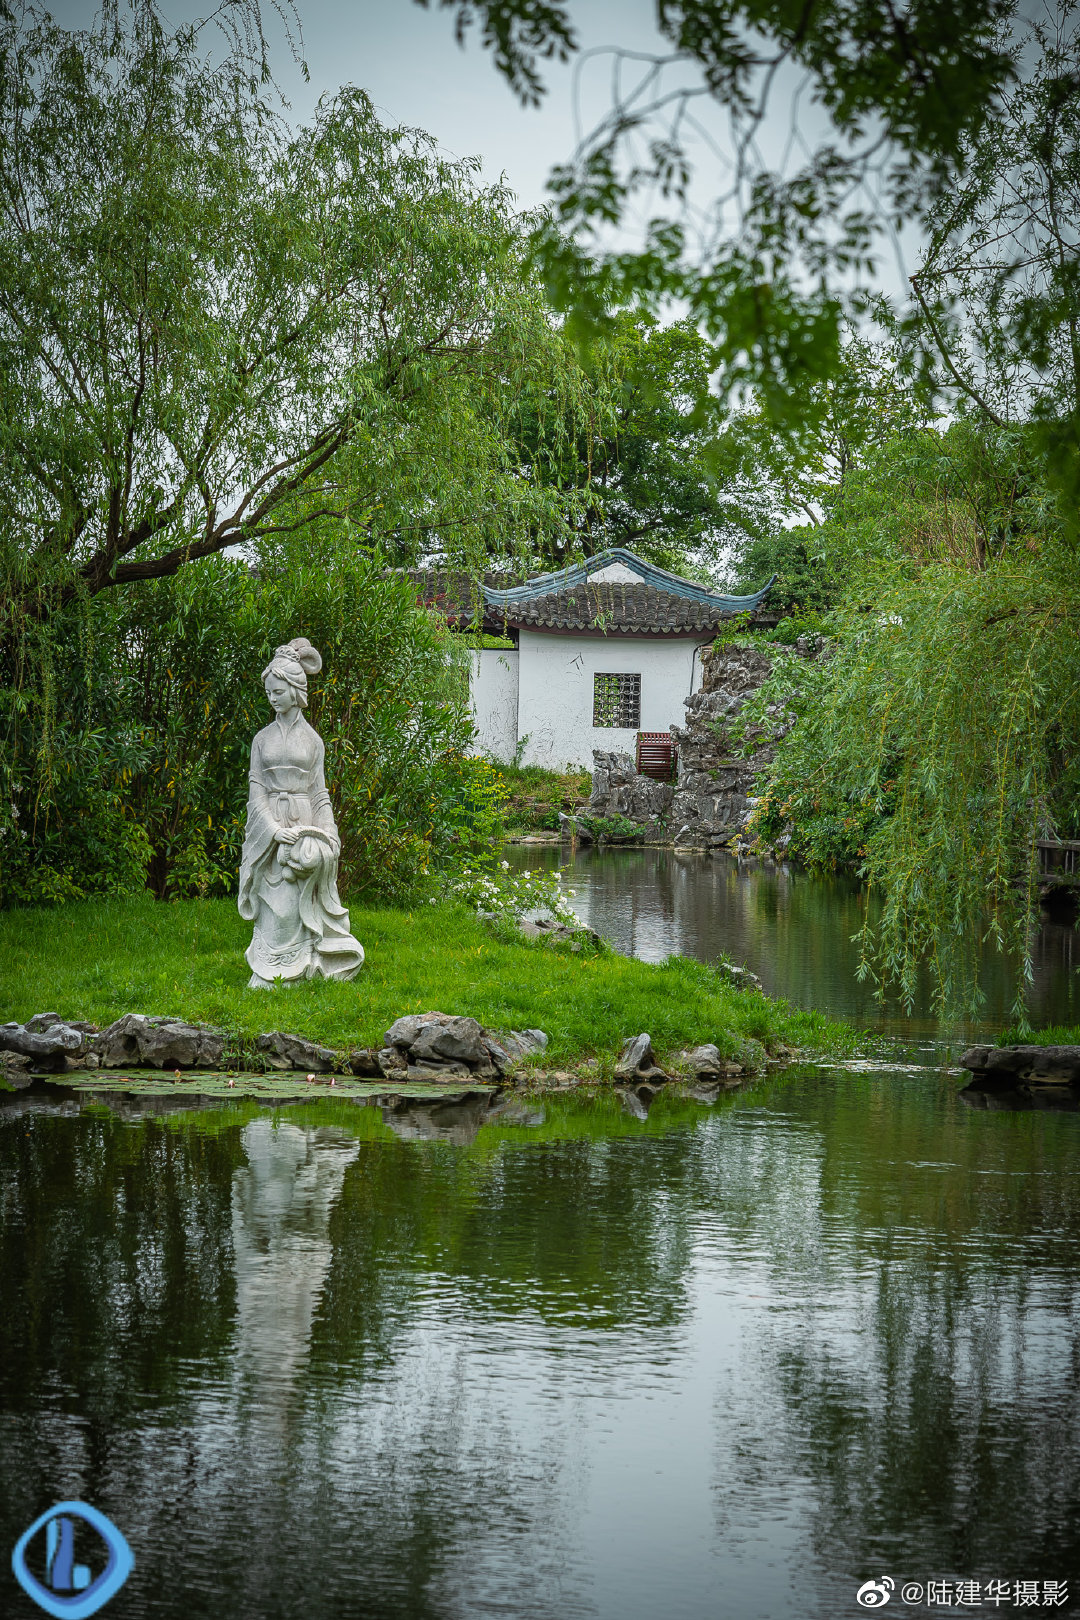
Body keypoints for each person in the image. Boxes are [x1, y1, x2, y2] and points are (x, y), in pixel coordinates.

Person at [238, 638, 364, 988]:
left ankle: (304, 962)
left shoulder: (313, 741)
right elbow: (256, 790)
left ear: (295, 691)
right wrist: (274, 830)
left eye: (278, 691)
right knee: (273, 901)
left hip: (304, 823)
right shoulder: (261, 740)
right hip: (272, 827)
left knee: (298, 896)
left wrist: (329, 833)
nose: (272, 698)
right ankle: (266, 967)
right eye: (268, 692)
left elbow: (320, 792)